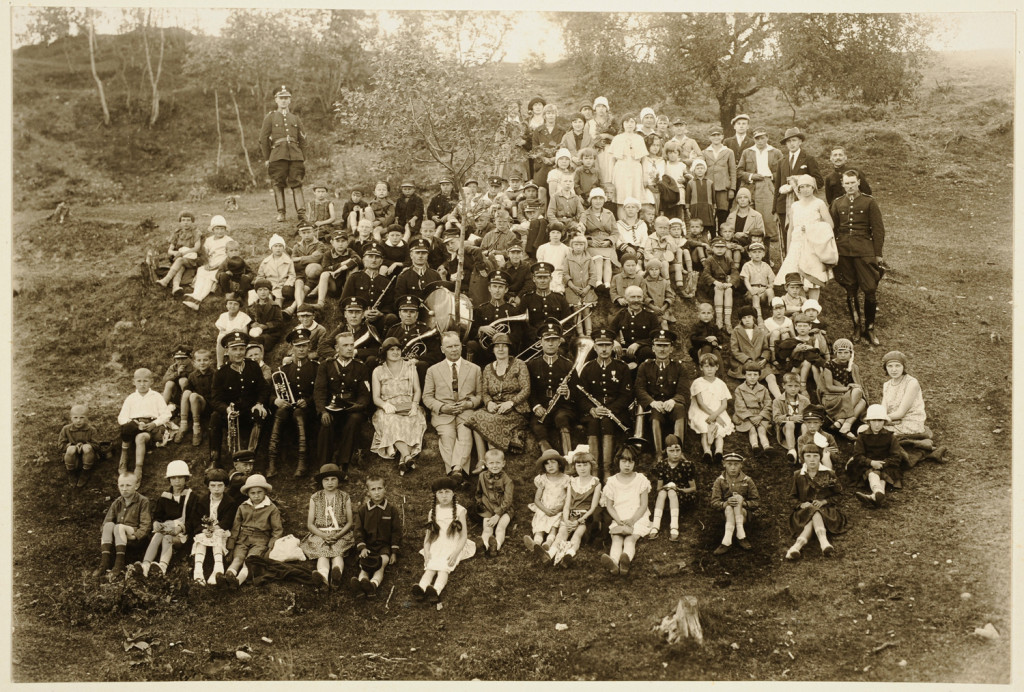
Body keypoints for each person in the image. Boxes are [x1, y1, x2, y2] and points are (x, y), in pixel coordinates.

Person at [830, 169, 886, 345]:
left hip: (864, 250)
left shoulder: (869, 202)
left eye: (852, 183)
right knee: (850, 288)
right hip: (843, 251)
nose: (849, 186)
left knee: (870, 288)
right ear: (842, 185)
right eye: (846, 183)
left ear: (859, 182)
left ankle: (869, 329)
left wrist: (877, 254)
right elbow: (832, 228)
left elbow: (878, 229)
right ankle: (856, 326)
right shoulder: (837, 203)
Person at [422, 331, 484, 484]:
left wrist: (469, 404)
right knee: (447, 436)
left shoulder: (475, 369)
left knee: (465, 434)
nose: (454, 349)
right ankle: (459, 474)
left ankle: (455, 471)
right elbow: (427, 397)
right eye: (449, 347)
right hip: (444, 413)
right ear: (442, 349)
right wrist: (443, 407)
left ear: (461, 347)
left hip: (466, 411)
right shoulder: (432, 370)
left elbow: (480, 395)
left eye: (456, 345)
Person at [208, 331, 271, 470]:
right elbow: (215, 400)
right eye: (234, 349)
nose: (238, 353)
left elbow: (264, 389)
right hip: (232, 413)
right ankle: (215, 459)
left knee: (262, 415)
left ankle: (254, 457)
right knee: (215, 418)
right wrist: (227, 409)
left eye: (241, 349)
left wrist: (259, 404)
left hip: (250, 411)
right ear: (227, 350)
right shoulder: (220, 373)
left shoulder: (253, 366)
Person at [314, 332, 372, 480]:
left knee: (354, 420)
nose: (349, 348)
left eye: (352, 345)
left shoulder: (360, 367)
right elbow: (319, 391)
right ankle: (324, 467)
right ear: (336, 348)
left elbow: (365, 394)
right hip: (332, 408)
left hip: (352, 408)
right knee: (326, 424)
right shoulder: (325, 366)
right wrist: (322, 411)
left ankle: (343, 464)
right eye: (345, 345)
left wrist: (359, 406)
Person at [578, 328, 634, 479]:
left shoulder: (621, 367)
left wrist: (609, 409)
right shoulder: (588, 368)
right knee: (594, 423)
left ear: (612, 346)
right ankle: (595, 471)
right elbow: (581, 396)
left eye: (607, 345)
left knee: (607, 422)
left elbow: (626, 395)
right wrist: (591, 410)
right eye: (600, 345)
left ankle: (607, 470)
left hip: (616, 412)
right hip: (594, 412)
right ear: (595, 347)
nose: (604, 349)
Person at [463, 333, 531, 455]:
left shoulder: (520, 364)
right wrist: (489, 403)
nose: (500, 349)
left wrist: (511, 403)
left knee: (490, 420)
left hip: (516, 409)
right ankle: (482, 460)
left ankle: (495, 459)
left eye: (504, 346)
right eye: (497, 346)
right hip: (495, 408)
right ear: (493, 350)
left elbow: (526, 389)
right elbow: (485, 392)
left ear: (509, 348)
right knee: (474, 417)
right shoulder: (488, 368)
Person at [131, 459, 199, 579]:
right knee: (157, 535)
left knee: (167, 537)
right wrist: (156, 523)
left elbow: (194, 520)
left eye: (180, 478)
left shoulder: (192, 497)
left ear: (186, 479)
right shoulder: (164, 497)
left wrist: (180, 528)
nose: (177, 481)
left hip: (182, 536)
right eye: (173, 478)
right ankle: (145, 565)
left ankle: (162, 567)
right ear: (169, 480)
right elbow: (158, 515)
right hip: (166, 529)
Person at [371, 337, 428, 475]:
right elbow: (376, 398)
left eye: (398, 349)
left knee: (412, 420)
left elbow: (417, 390)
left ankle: (403, 460)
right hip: (388, 406)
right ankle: (407, 457)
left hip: (408, 404)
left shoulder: (410, 367)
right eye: (391, 349)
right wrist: (385, 405)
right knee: (392, 420)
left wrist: (415, 404)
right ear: (385, 352)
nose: (395, 352)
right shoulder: (378, 371)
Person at [774, 175, 835, 302]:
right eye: (802, 187)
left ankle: (813, 307)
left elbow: (830, 224)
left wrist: (811, 228)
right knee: (797, 277)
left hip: (813, 245)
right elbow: (791, 228)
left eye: (808, 186)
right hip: (797, 245)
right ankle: (801, 307)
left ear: (813, 187)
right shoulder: (795, 205)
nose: (805, 189)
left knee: (812, 277)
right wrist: (789, 248)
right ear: (799, 189)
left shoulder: (819, 203)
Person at [414, 477, 474, 604]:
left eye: (447, 492)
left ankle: (435, 591)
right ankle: (421, 588)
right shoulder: (433, 512)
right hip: (437, 543)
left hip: (454, 544)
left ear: (453, 493)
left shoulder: (460, 510)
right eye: (440, 492)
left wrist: (456, 552)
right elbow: (428, 536)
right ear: (435, 495)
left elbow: (463, 536)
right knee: (430, 567)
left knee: (443, 569)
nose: (444, 496)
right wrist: (426, 550)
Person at [267, 328, 317, 478]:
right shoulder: (284, 369)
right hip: (287, 409)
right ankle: (271, 462)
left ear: (309, 347)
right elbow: (271, 393)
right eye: (298, 346)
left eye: (304, 345)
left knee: (298, 413)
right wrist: (276, 400)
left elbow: (321, 392)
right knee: (280, 413)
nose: (301, 349)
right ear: (292, 348)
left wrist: (308, 401)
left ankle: (302, 461)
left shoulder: (317, 368)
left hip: (308, 411)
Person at [880, 351, 946, 464]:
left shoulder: (911, 383)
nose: (894, 369)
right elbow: (883, 409)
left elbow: (901, 413)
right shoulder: (887, 385)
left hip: (910, 421)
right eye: (890, 366)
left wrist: (882, 420)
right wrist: (878, 418)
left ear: (904, 366)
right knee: (867, 431)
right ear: (885, 368)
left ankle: (922, 451)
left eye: (897, 365)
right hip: (892, 421)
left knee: (879, 437)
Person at [219, 474, 283, 588]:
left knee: (250, 560)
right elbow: (236, 527)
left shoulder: (271, 509)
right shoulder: (243, 507)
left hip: (261, 540)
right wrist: (231, 545)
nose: (256, 496)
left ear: (265, 492)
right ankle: (228, 575)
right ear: (247, 494)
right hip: (243, 538)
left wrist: (270, 547)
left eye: (260, 492)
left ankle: (238, 580)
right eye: (253, 493)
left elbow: (277, 530)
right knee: (238, 558)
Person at [785, 444, 847, 560]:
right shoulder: (798, 475)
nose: (812, 459)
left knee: (815, 510)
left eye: (815, 456)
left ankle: (796, 547)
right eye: (808, 456)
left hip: (827, 511)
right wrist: (801, 504)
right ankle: (824, 543)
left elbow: (840, 495)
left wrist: (824, 501)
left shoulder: (829, 473)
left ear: (820, 457)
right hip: (803, 513)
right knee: (813, 510)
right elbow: (791, 497)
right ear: (803, 458)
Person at [599, 443, 653, 575]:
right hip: (619, 516)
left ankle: (625, 561)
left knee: (630, 539)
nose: (627, 465)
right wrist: (618, 520)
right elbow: (610, 506)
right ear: (618, 462)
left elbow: (643, 505)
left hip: (637, 516)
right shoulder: (612, 481)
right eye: (624, 461)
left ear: (635, 463)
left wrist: (633, 520)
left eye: (630, 462)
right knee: (616, 538)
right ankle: (613, 563)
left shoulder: (641, 480)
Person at [527, 320, 578, 456]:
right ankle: (551, 458)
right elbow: (530, 391)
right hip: (541, 406)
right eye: (547, 340)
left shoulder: (567, 365)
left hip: (562, 407)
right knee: (538, 426)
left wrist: (567, 392)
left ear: (559, 342)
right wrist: (536, 406)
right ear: (541, 342)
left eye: (554, 340)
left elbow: (578, 391)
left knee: (562, 418)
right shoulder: (532, 365)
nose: (550, 343)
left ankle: (568, 458)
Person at [634, 329, 688, 454]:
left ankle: (678, 453)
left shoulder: (679, 367)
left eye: (665, 346)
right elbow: (639, 389)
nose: (662, 349)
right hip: (654, 406)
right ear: (653, 348)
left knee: (680, 408)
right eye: (659, 346)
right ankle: (658, 454)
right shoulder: (645, 366)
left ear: (671, 349)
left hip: (672, 406)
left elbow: (684, 391)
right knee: (655, 411)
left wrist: (673, 400)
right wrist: (652, 402)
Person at [301, 463, 354, 590]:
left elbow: (349, 522)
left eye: (333, 479)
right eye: (326, 479)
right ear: (321, 482)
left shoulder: (345, 497)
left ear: (338, 480)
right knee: (322, 553)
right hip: (320, 533)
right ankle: (323, 578)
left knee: (337, 553)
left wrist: (337, 535)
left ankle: (337, 576)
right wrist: (323, 535)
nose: (330, 482)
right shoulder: (315, 497)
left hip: (340, 533)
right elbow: (310, 524)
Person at [348, 475, 403, 597]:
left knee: (381, 564)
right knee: (365, 567)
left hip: (384, 547)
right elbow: (358, 530)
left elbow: (396, 531)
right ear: (368, 492)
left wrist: (394, 551)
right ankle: (361, 585)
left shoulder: (391, 510)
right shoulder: (363, 510)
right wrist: (362, 547)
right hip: (367, 546)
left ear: (385, 489)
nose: (377, 492)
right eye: (373, 489)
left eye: (380, 488)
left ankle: (373, 585)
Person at [259, 85, 306, 224]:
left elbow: (303, 139)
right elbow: (263, 139)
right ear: (276, 100)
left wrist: (303, 157)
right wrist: (267, 158)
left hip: (296, 156)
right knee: (278, 184)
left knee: (297, 183)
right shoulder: (270, 117)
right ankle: (281, 213)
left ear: (290, 100)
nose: (284, 101)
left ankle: (302, 214)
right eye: (281, 98)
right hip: (277, 155)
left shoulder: (295, 118)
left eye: (287, 98)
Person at [773, 127, 823, 252]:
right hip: (784, 205)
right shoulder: (781, 162)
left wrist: (798, 180)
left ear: (800, 141)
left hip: (803, 204)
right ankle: (789, 266)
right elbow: (777, 186)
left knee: (803, 235)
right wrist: (774, 210)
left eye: (794, 140)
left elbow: (819, 181)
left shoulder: (808, 159)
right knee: (787, 237)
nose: (791, 144)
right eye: (788, 141)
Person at [117, 368, 173, 480]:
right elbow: (121, 417)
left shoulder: (156, 396)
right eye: (139, 381)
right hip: (135, 425)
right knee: (128, 428)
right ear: (134, 382)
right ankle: (124, 457)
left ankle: (138, 468)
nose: (142, 384)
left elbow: (166, 414)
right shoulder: (131, 398)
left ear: (151, 381)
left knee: (141, 437)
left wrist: (155, 423)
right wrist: (134, 423)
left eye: (145, 381)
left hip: (151, 427)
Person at [737, 127, 784, 262]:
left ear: (767, 137)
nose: (760, 140)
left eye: (762, 137)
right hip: (751, 188)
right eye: (757, 138)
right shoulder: (748, 152)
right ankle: (748, 258)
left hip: (768, 187)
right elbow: (739, 171)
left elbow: (782, 171)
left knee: (767, 223)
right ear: (754, 139)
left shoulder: (775, 152)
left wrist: (770, 176)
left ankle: (766, 259)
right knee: (751, 222)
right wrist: (751, 175)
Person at [93, 473, 151, 580]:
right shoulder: (117, 502)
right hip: (119, 537)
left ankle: (119, 565)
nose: (124, 489)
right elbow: (107, 521)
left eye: (128, 485)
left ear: (136, 486)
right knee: (108, 525)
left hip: (135, 538)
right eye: (122, 486)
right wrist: (109, 533)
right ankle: (104, 563)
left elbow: (146, 525)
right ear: (118, 486)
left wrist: (136, 536)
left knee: (119, 527)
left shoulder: (143, 501)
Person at [849, 404, 907, 508]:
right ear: (868, 422)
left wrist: (883, 464)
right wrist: (870, 462)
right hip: (866, 465)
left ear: (884, 422)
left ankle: (875, 495)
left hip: (886, 465)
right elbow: (858, 455)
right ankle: (879, 494)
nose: (877, 424)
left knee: (879, 473)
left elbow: (896, 456)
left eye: (880, 421)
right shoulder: (862, 437)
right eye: (874, 421)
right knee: (872, 473)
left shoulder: (890, 436)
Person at [189, 468, 237, 585]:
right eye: (213, 485)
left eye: (220, 485)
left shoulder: (230, 502)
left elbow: (228, 521)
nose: (216, 489)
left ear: (225, 486)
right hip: (205, 530)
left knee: (217, 536)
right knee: (201, 539)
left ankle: (218, 570)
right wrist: (204, 529)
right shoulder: (202, 501)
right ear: (208, 486)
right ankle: (198, 572)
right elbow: (195, 520)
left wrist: (215, 528)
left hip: (220, 530)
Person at [524, 449, 571, 562]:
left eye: (553, 462)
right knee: (540, 525)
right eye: (547, 463)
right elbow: (537, 499)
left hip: (558, 508)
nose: (550, 466)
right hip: (544, 507)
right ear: (543, 466)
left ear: (559, 464)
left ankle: (547, 544)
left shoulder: (566, 479)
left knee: (554, 526)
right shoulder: (542, 479)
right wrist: (544, 510)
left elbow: (569, 498)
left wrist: (560, 508)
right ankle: (536, 544)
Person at [709, 453, 760, 554]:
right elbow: (714, 502)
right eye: (729, 464)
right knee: (729, 508)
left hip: (743, 514)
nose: (733, 467)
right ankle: (741, 536)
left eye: (736, 464)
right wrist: (726, 503)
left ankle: (726, 542)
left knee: (738, 498)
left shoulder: (747, 480)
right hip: (726, 515)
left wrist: (742, 503)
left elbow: (756, 502)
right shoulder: (720, 481)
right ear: (724, 464)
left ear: (741, 465)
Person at [648, 435, 697, 541]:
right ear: (666, 451)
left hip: (683, 496)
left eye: (677, 450)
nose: (675, 454)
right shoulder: (662, 465)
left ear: (681, 450)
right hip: (666, 498)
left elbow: (693, 488)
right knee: (663, 493)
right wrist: (666, 486)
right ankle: (655, 525)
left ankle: (674, 527)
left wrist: (678, 489)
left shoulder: (687, 465)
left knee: (671, 492)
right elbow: (658, 488)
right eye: (671, 451)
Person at [689, 353, 733, 465]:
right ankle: (707, 452)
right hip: (703, 411)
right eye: (706, 366)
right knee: (705, 429)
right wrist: (713, 416)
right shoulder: (697, 383)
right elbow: (700, 403)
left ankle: (719, 452)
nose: (709, 369)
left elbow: (724, 404)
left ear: (717, 367)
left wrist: (716, 415)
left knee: (719, 430)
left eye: (712, 366)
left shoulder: (721, 383)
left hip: (718, 410)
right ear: (701, 368)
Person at [818, 338, 866, 439]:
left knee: (862, 401)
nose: (843, 355)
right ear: (835, 353)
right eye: (840, 352)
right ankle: (842, 420)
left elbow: (859, 385)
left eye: (846, 352)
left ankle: (844, 425)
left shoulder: (853, 367)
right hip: (832, 397)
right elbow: (829, 387)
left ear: (851, 354)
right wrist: (847, 389)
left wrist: (850, 390)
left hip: (847, 397)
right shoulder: (829, 365)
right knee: (857, 392)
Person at [182, 216, 233, 310]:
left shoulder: (228, 240)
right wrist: (206, 263)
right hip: (211, 262)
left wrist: (217, 266)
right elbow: (205, 253)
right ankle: (195, 294)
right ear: (213, 229)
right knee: (202, 271)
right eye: (217, 229)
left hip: (222, 264)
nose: (219, 231)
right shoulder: (209, 240)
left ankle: (198, 299)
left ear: (225, 229)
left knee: (210, 277)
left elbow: (230, 256)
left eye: (222, 229)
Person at [475, 449, 514, 558]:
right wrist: (480, 505)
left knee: (500, 528)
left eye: (498, 463)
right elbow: (478, 492)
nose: (495, 466)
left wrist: (497, 515)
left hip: (504, 509)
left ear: (503, 463)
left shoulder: (507, 480)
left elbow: (508, 500)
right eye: (491, 463)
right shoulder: (482, 476)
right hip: (488, 508)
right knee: (487, 528)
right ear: (486, 464)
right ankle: (484, 546)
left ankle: (496, 546)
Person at [519, 262, 570, 344]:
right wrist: (537, 337)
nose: (542, 281)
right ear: (534, 279)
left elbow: (569, 323)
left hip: (556, 342)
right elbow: (522, 325)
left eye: (545, 277)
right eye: (539, 277)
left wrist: (563, 338)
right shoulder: (526, 299)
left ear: (551, 278)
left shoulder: (560, 298)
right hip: (533, 342)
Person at [610, 285, 659, 368]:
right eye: (633, 297)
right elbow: (610, 332)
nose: (636, 300)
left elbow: (656, 336)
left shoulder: (651, 316)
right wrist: (614, 342)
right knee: (606, 351)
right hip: (624, 349)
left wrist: (638, 344)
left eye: (639, 297)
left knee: (647, 352)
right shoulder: (621, 315)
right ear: (626, 299)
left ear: (643, 298)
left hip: (643, 349)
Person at [155, 211, 202, 295]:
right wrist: (175, 253)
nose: (186, 223)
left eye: (188, 220)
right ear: (180, 221)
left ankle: (166, 280)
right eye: (183, 220)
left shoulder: (196, 233)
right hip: (180, 258)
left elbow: (197, 248)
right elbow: (170, 250)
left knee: (180, 260)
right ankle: (175, 287)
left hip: (192, 259)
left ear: (192, 222)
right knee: (180, 267)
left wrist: (183, 253)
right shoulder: (177, 233)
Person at [580, 188, 619, 289]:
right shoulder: (584, 214)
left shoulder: (609, 213)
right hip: (593, 242)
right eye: (595, 198)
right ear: (590, 200)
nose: (598, 201)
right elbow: (580, 233)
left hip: (606, 243)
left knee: (607, 260)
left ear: (604, 200)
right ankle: (598, 283)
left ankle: (607, 285)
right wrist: (589, 241)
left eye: (600, 198)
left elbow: (615, 232)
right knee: (598, 259)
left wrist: (609, 241)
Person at [698, 237, 738, 332]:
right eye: (717, 247)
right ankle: (719, 319)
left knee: (729, 290)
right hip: (713, 287)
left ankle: (727, 321)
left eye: (722, 247)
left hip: (726, 284)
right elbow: (705, 274)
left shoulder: (729, 260)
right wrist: (715, 282)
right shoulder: (710, 260)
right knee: (718, 289)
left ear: (725, 248)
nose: (719, 249)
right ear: (712, 248)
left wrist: (730, 283)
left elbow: (735, 273)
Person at [732, 361, 773, 454]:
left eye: (755, 374)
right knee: (752, 430)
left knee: (762, 430)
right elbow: (740, 406)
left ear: (759, 376)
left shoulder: (763, 389)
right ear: (744, 375)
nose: (752, 377)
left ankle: (766, 446)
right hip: (746, 416)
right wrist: (750, 417)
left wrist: (760, 416)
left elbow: (768, 404)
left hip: (760, 414)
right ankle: (755, 446)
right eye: (749, 374)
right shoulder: (739, 389)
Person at [608, 114, 648, 205]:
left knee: (635, 197)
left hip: (635, 170)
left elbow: (644, 160)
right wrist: (610, 178)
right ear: (622, 124)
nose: (629, 124)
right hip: (621, 170)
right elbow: (612, 160)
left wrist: (645, 177)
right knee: (621, 197)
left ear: (635, 124)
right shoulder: (617, 138)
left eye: (632, 122)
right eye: (626, 122)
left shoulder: (639, 139)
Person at [530, 104, 565, 207]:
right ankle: (542, 215)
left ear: (556, 115)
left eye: (553, 113)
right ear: (544, 115)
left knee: (557, 190)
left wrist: (555, 158)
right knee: (542, 189)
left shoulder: (562, 131)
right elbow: (535, 148)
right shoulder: (538, 131)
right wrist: (543, 158)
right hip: (542, 165)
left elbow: (563, 147)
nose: (550, 116)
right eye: (548, 113)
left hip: (556, 164)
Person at [703, 126, 737, 230]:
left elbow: (733, 171)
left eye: (718, 135)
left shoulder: (728, 152)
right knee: (710, 213)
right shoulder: (705, 152)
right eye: (713, 135)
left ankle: (722, 236)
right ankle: (713, 237)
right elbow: (701, 169)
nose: (716, 137)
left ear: (722, 136)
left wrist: (732, 189)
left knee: (723, 212)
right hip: (709, 189)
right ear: (709, 137)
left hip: (723, 188)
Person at [58, 404, 100, 488]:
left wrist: (85, 445)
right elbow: (60, 445)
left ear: (87, 418)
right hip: (72, 457)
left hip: (88, 456)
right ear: (71, 418)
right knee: (70, 449)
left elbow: (97, 445)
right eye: (75, 417)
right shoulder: (66, 429)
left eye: (82, 417)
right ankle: (71, 473)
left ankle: (85, 472)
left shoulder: (91, 430)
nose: (78, 421)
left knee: (87, 448)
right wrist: (72, 446)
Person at [564, 234, 597, 337]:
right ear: (572, 246)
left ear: (585, 246)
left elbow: (593, 275)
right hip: (573, 290)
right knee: (577, 311)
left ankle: (588, 333)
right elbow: (565, 274)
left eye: (581, 244)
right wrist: (573, 287)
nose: (578, 247)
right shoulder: (568, 258)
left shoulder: (589, 258)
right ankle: (580, 333)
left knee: (586, 312)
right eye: (576, 244)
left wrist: (587, 288)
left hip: (587, 290)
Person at [774, 372, 810, 463]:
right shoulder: (778, 401)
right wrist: (790, 418)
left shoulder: (805, 400)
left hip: (801, 427)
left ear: (800, 386)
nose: (793, 389)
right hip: (786, 428)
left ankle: (803, 450)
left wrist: (804, 418)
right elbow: (776, 418)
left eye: (796, 386)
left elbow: (810, 415)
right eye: (790, 386)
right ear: (783, 386)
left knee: (805, 426)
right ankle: (792, 450)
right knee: (790, 424)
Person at [728, 305, 771, 379]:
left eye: (749, 317)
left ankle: (777, 390)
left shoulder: (760, 331)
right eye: (744, 318)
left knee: (770, 377)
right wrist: (747, 359)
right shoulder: (736, 331)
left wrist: (765, 358)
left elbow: (766, 348)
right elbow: (734, 350)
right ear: (741, 320)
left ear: (753, 318)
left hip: (758, 362)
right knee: (750, 377)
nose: (747, 320)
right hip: (742, 363)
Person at [739, 240, 775, 321]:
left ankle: (773, 312)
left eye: (759, 252)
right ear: (749, 254)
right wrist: (751, 290)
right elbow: (746, 280)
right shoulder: (747, 265)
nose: (757, 254)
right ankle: (759, 318)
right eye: (754, 252)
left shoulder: (766, 266)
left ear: (763, 254)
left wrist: (770, 285)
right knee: (755, 296)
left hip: (763, 291)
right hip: (751, 292)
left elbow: (772, 280)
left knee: (770, 291)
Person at [214, 293, 251, 367]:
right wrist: (230, 332)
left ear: (239, 306)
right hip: (227, 338)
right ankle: (220, 363)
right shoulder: (223, 316)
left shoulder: (243, 316)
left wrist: (238, 331)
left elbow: (245, 332)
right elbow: (222, 331)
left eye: (235, 304)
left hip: (239, 338)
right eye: (230, 303)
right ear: (226, 305)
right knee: (220, 337)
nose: (232, 306)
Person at [686, 159, 716, 237]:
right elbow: (687, 197)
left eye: (702, 168)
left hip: (707, 208)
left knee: (706, 227)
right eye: (698, 168)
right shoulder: (690, 183)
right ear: (694, 170)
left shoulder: (710, 182)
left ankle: (706, 240)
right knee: (696, 225)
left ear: (705, 170)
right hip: (696, 208)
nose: (700, 170)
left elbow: (713, 197)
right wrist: (687, 208)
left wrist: (714, 207)